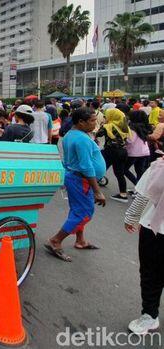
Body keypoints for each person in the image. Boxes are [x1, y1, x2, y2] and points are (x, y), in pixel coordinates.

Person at [45, 108, 106, 262]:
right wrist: (97, 191)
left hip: (75, 177)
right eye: (92, 120)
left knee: (78, 209)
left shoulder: (71, 134)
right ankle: (56, 240)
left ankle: (80, 240)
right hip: (81, 180)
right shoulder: (81, 139)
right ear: (81, 122)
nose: (95, 123)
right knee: (84, 213)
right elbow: (86, 166)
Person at [124, 157, 164, 334]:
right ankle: (149, 314)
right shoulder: (159, 167)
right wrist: (131, 217)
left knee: (151, 274)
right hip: (154, 229)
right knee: (150, 274)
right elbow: (143, 195)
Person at [96, 108, 130, 203]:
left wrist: (103, 125)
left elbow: (98, 134)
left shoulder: (108, 126)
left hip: (111, 151)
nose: (105, 117)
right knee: (120, 173)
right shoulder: (124, 126)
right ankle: (123, 194)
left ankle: (91, 191)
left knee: (100, 169)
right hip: (123, 151)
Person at [124, 111, 151, 186]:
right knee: (139, 171)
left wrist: (124, 136)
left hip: (134, 153)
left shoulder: (132, 128)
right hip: (145, 152)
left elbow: (130, 140)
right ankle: (139, 190)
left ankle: (137, 184)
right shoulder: (144, 126)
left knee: (124, 169)